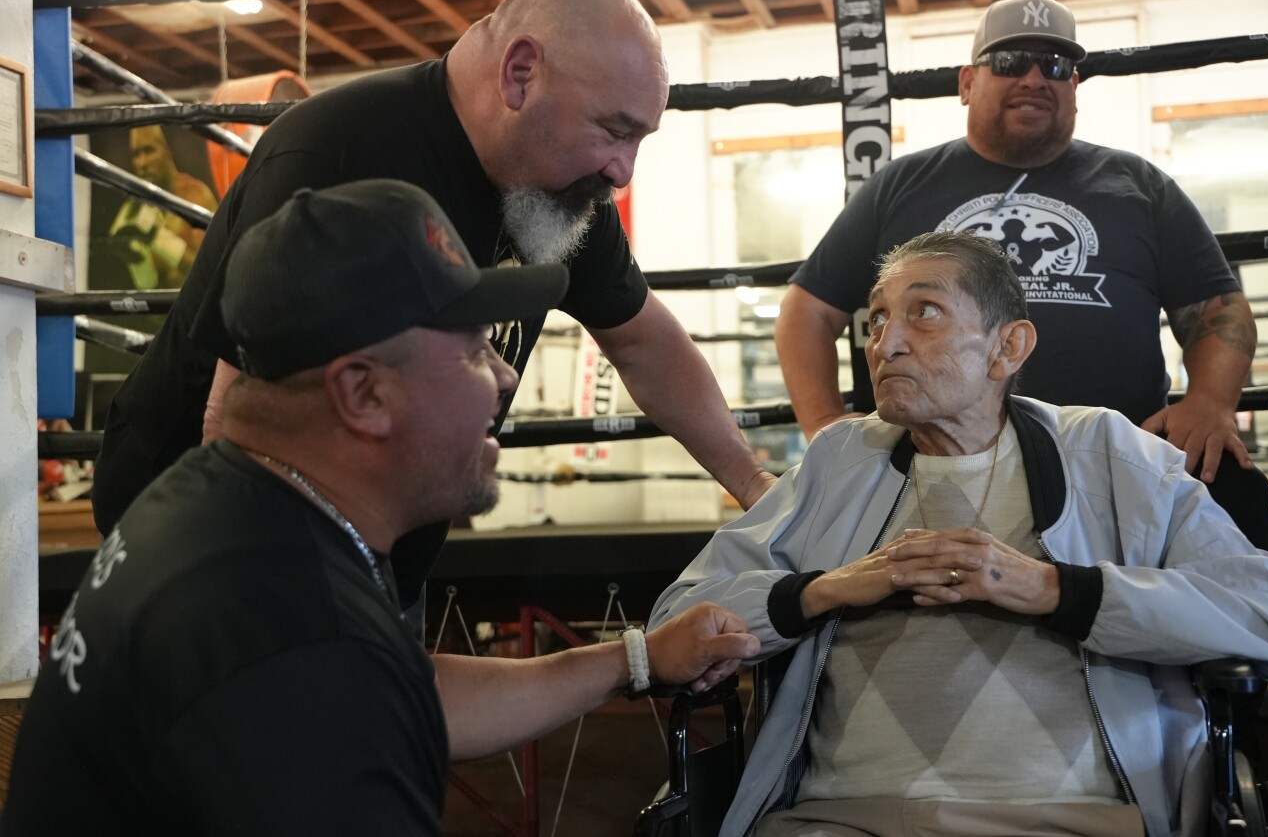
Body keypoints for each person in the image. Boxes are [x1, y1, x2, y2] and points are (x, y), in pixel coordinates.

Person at [2, 180, 761, 836]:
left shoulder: (225, 504)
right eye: (472, 350)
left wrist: (634, 658)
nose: (503, 377)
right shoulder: (303, 655)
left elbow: (405, 685)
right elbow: (341, 686)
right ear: (364, 393)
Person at [91, 0, 776, 614]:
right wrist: (283, 632)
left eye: (640, 136)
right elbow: (233, 418)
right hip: (210, 541)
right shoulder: (339, 156)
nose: (623, 169)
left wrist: (756, 487)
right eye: (614, 129)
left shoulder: (563, 193)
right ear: (520, 74)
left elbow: (642, 338)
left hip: (381, 547)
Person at [650, 231, 1268, 837]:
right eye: (874, 320)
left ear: (1007, 348)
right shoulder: (838, 463)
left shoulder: (1109, 455)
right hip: (842, 819)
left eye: (924, 312)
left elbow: (1266, 608)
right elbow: (674, 626)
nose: (886, 343)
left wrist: (1061, 590)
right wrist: (824, 590)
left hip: (1075, 819)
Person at [775, 0, 1257, 490]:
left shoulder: (1140, 184)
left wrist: (1209, 402)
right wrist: (823, 427)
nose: (1033, 79)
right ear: (967, 83)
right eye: (1008, 62)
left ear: (1073, 85)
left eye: (1054, 64)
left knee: (1236, 490)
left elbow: (1219, 310)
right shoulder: (901, 185)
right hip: (936, 468)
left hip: (1115, 466)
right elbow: (805, 312)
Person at [107, 125, 219, 289]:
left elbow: (209, 271)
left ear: (168, 152)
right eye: (136, 154)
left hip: (198, 309)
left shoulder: (194, 196)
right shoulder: (136, 208)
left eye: (149, 150)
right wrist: (135, 259)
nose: (142, 163)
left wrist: (156, 236)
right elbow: (148, 289)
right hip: (163, 311)